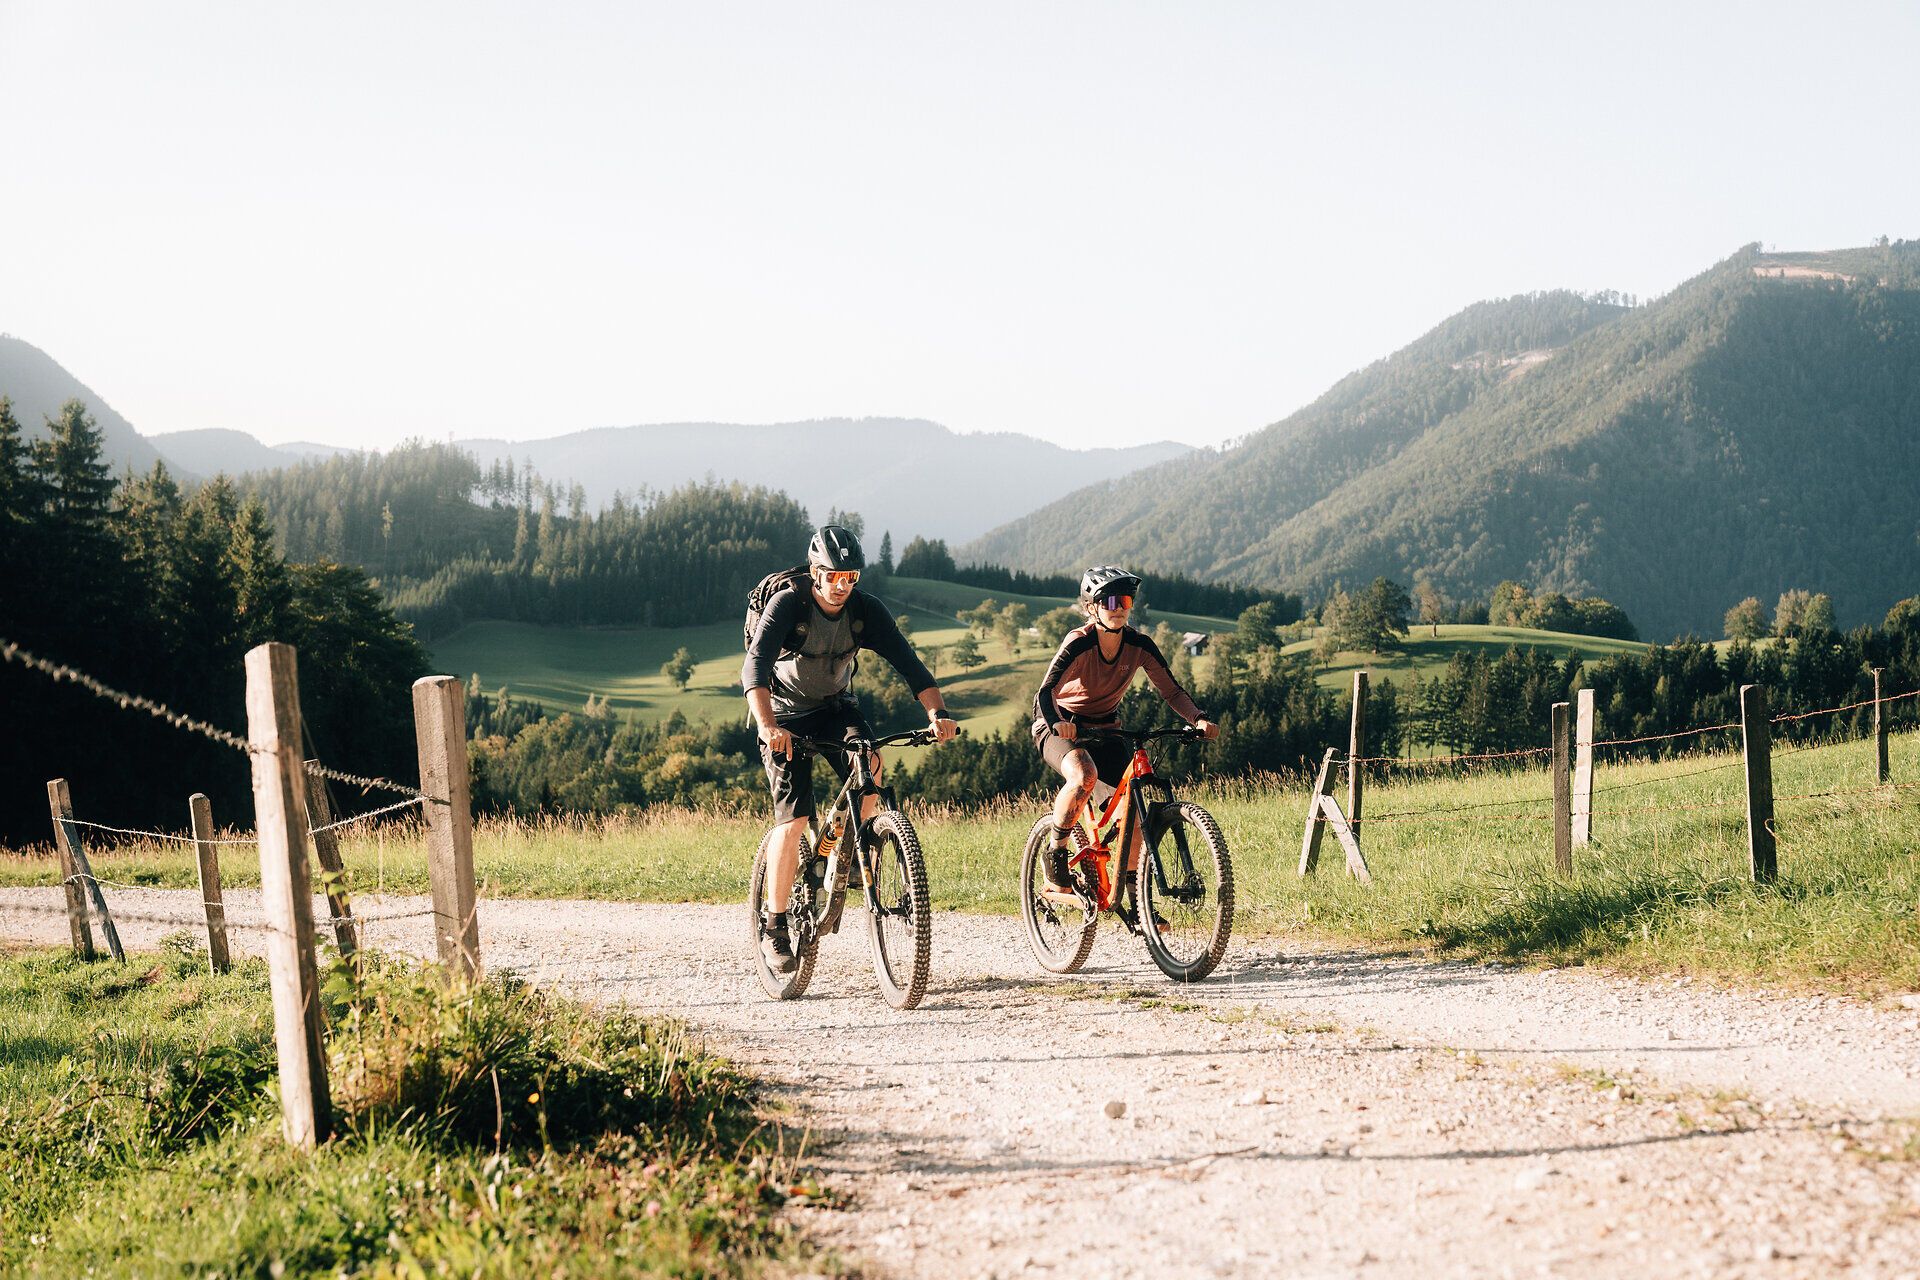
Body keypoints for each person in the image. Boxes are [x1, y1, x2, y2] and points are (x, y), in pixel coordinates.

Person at [744, 525, 957, 973]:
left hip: (836, 707)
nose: (843, 585)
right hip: (784, 715)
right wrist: (767, 727)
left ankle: (857, 856)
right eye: (835, 576)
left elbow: (909, 663)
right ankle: (775, 924)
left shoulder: (864, 611)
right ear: (816, 573)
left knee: (871, 764)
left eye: (852, 577)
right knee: (795, 816)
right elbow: (756, 668)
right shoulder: (789, 604)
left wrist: (936, 715)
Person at [1031, 565, 1218, 895]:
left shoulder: (1139, 645)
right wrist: (1058, 723)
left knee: (1133, 808)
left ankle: (1132, 898)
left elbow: (1172, 691)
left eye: (1126, 601)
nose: (1119, 608)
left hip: (1107, 730)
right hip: (1059, 726)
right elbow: (1046, 691)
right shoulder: (1079, 642)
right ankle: (1056, 852)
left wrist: (1198, 719)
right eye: (1111, 601)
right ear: (1092, 607)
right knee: (1084, 776)